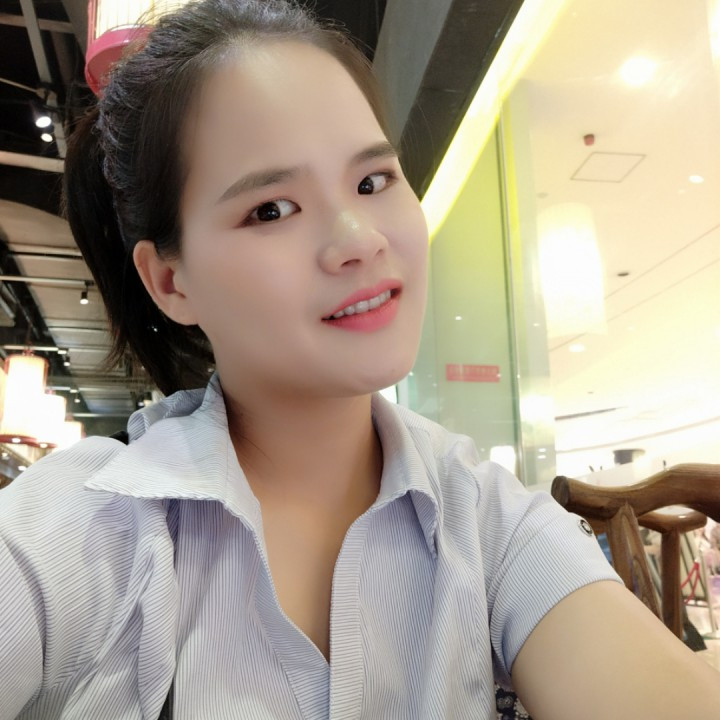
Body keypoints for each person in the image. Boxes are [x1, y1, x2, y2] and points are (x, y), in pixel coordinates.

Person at [0, 1, 718, 718]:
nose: (359, 238)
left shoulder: (487, 520)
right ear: (170, 281)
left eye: (373, 182)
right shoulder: (84, 530)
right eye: (272, 209)